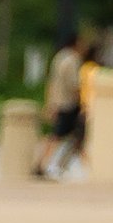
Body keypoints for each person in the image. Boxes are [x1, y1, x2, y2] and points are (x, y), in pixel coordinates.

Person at [38, 31, 91, 181]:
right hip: (69, 104)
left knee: (72, 137)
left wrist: (50, 103)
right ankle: (45, 164)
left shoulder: (59, 57)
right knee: (66, 136)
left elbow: (52, 82)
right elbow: (74, 85)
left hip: (59, 102)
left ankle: (47, 164)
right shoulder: (72, 59)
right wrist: (83, 102)